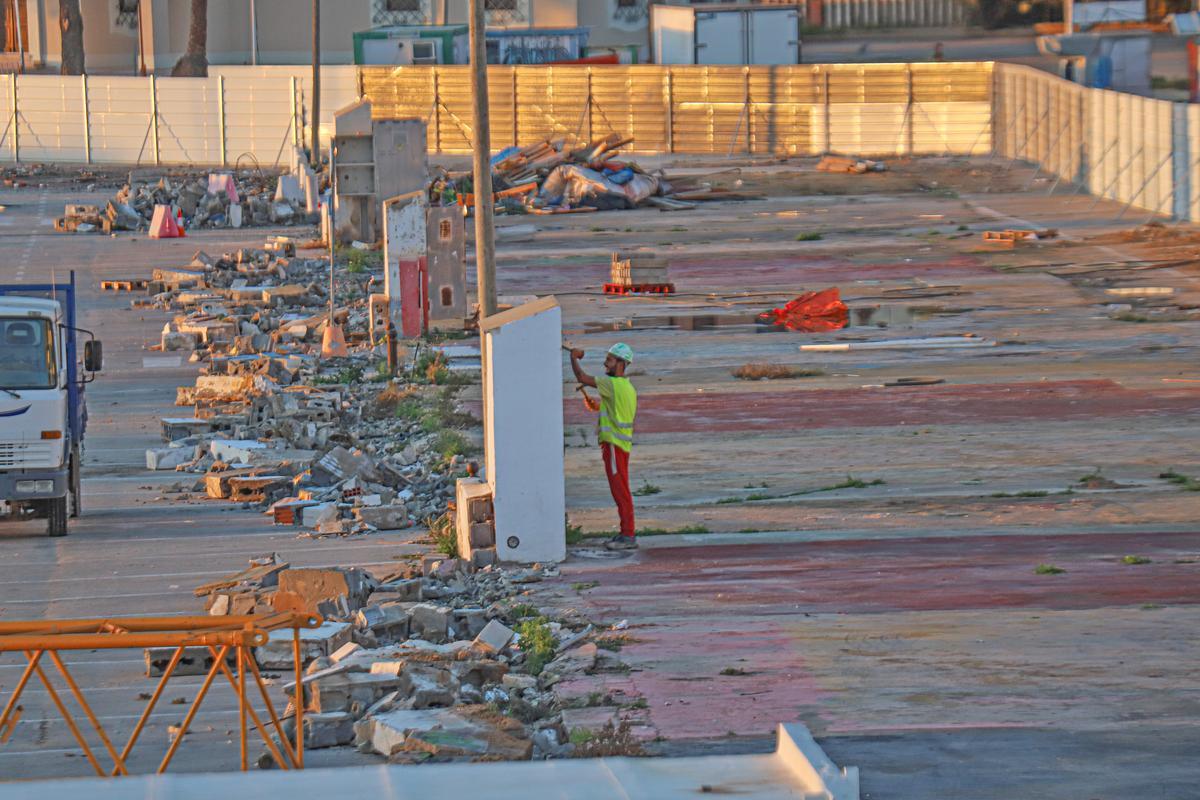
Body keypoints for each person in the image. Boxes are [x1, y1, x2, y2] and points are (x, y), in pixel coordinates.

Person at [569, 343, 638, 550]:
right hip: (620, 447)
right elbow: (618, 411)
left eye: (609, 359)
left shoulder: (610, 383)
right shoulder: (627, 387)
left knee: (621, 492)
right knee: (621, 490)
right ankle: (626, 532)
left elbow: (582, 377)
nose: (605, 363)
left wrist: (573, 357)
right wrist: (598, 406)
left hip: (614, 447)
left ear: (621, 364)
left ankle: (628, 535)